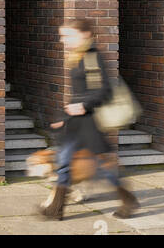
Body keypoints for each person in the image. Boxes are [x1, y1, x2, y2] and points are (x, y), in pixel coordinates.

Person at [39, 17, 139, 222]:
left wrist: (82, 107)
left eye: (67, 35)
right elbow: (79, 92)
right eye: (62, 36)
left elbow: (104, 92)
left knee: (104, 167)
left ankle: (128, 201)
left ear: (84, 35)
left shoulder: (93, 57)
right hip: (75, 122)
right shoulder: (78, 56)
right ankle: (56, 209)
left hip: (89, 123)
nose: (63, 40)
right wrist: (64, 116)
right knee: (65, 162)